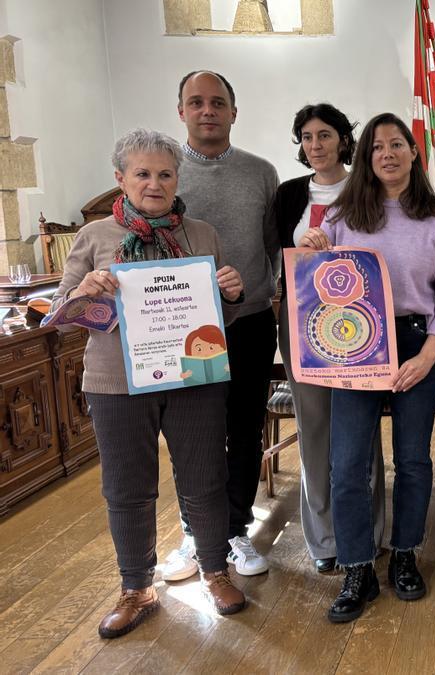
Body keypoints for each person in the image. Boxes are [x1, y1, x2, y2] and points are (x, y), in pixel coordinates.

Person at [54, 129, 248, 638]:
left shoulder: (200, 234)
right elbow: (60, 314)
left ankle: (214, 570)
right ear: (121, 179)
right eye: (142, 174)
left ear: (177, 177)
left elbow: (210, 316)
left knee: (206, 478)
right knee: (127, 488)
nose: (155, 183)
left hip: (193, 377)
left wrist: (231, 290)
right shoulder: (95, 237)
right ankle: (136, 587)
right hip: (115, 382)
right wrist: (87, 291)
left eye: (165, 174)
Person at [298, 113, 435, 622]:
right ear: (366, 157)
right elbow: (317, 279)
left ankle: (406, 554)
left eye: (397, 145)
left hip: (419, 341)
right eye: (377, 147)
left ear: (415, 153)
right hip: (355, 346)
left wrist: (429, 354)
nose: (388, 154)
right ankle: (357, 568)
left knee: (413, 459)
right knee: (347, 462)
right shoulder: (342, 216)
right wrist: (311, 250)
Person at [163, 70, 280, 581]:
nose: (207, 110)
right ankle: (194, 530)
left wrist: (263, 290)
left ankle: (234, 529)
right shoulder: (165, 173)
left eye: (217, 102)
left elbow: (274, 245)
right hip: (185, 328)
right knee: (192, 432)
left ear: (234, 111)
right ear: (181, 111)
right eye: (196, 102)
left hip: (250, 322)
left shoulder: (261, 172)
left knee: (243, 426)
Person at [268, 103, 387, 574]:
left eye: (324, 135)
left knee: (361, 432)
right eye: (306, 137)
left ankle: (369, 532)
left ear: (343, 139)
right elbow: (278, 259)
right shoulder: (289, 194)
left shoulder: (369, 186)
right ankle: (324, 540)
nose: (315, 145)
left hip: (363, 323)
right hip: (304, 325)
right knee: (314, 429)